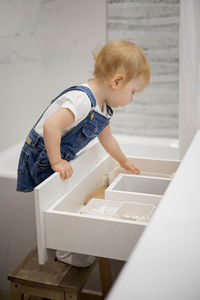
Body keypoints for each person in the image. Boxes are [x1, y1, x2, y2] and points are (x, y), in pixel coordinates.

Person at [17, 40, 151, 266]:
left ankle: (68, 243)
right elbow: (51, 126)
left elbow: (107, 140)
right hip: (41, 154)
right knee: (54, 202)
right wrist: (56, 161)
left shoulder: (104, 108)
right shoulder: (82, 100)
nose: (131, 99)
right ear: (117, 81)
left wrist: (124, 161)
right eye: (133, 92)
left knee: (66, 193)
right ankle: (62, 247)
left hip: (58, 153)